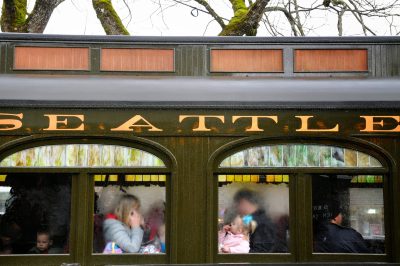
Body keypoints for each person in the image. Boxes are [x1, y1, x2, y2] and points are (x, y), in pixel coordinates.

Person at [233, 188, 278, 253]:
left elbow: (260, 253)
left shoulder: (261, 222)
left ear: (244, 202)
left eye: (237, 204)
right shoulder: (252, 218)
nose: (237, 208)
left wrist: (234, 252)